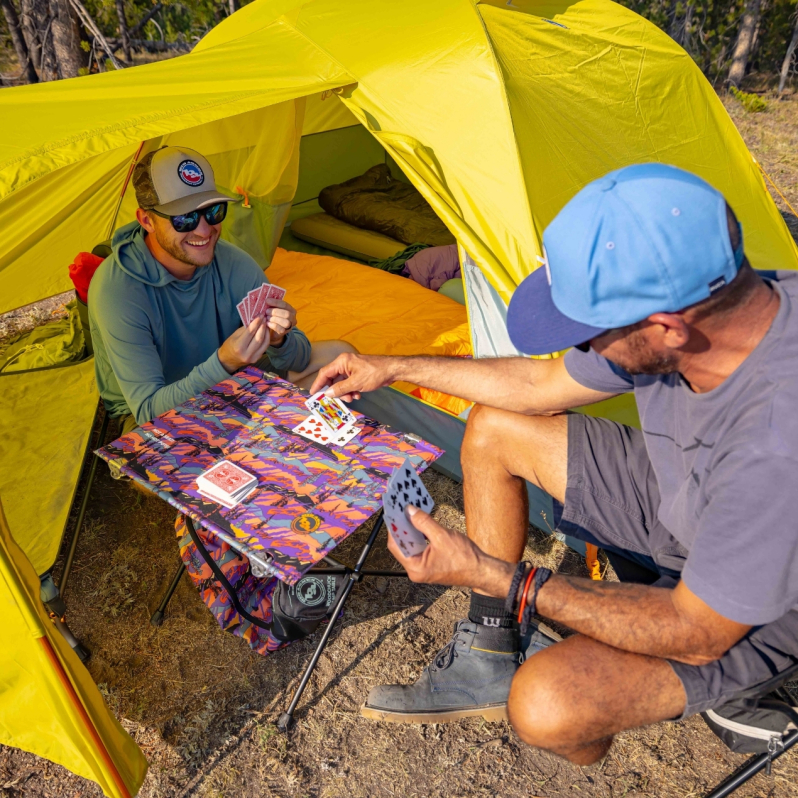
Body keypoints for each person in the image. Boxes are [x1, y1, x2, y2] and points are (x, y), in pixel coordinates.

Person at [310, 163, 798, 763]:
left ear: (667, 328)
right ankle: (489, 651)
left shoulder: (776, 441)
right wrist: (391, 366)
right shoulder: (731, 303)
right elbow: (537, 385)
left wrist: (499, 577)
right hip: (690, 495)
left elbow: (696, 631)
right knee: (495, 428)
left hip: (759, 602)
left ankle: (741, 687)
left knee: (546, 706)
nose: (581, 349)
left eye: (588, 335)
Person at [90, 145, 354, 435]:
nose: (204, 231)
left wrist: (280, 340)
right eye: (185, 219)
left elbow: (299, 358)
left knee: (342, 359)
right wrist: (224, 361)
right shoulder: (117, 290)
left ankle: (262, 430)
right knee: (175, 453)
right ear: (146, 221)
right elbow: (149, 412)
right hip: (161, 409)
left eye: (213, 211)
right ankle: (259, 432)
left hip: (231, 380)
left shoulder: (233, 262)